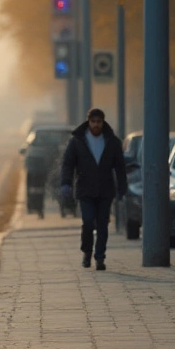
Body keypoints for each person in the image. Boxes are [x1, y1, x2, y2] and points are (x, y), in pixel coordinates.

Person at [61, 108, 127, 271]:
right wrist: (66, 183)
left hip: (105, 190)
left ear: (103, 122)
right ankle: (87, 252)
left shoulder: (112, 141)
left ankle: (100, 257)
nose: (96, 125)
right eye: (93, 122)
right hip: (85, 189)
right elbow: (68, 163)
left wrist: (122, 188)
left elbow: (120, 167)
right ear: (88, 122)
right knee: (88, 221)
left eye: (99, 122)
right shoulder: (78, 140)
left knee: (103, 225)